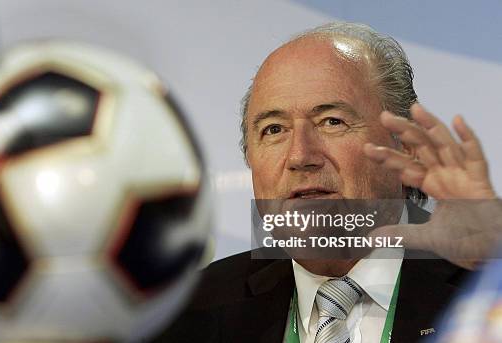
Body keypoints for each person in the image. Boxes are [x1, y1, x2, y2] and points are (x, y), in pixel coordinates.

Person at [152, 22, 501, 343]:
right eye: (274, 130)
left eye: (332, 121)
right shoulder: (185, 313)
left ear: (406, 144)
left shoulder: (482, 280)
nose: (300, 156)